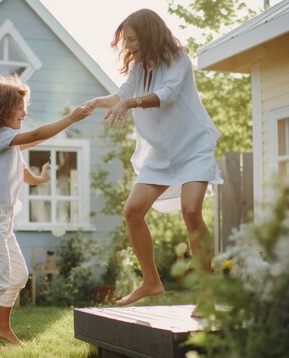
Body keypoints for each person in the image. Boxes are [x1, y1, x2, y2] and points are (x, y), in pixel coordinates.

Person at [84, 9, 223, 316]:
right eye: (126, 40)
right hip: (161, 152)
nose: (128, 46)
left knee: (191, 211)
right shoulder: (138, 67)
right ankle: (151, 281)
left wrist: (128, 103)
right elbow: (122, 94)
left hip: (193, 146)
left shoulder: (179, 60)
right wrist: (97, 102)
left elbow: (168, 94)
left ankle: (207, 290)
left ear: (148, 34)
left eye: (132, 39)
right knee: (132, 212)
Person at [0, 75, 91, 348]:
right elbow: (35, 135)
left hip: (2, 221)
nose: (25, 112)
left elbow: (26, 171)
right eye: (20, 107)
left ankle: (1, 326)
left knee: (19, 275)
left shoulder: (10, 145)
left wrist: (42, 178)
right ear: (1, 109)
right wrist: (70, 119)